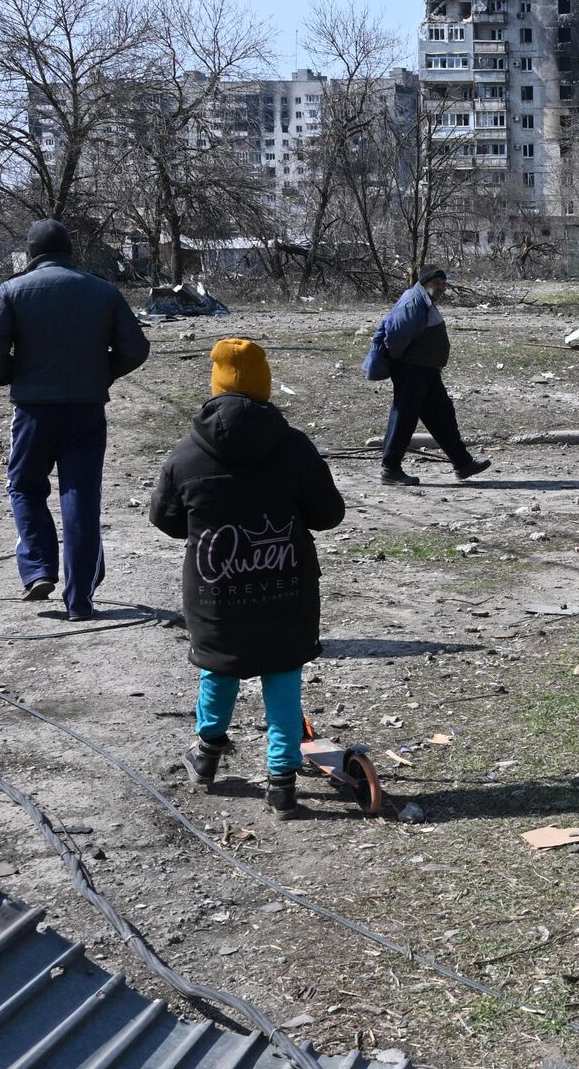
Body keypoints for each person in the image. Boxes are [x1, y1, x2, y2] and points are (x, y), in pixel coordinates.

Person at [148, 339, 346, 820]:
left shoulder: (186, 454)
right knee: (282, 674)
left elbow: (166, 519)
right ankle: (282, 782)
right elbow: (328, 515)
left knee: (219, 667)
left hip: (216, 591)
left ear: (214, 385)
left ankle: (207, 754)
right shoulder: (294, 445)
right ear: (265, 385)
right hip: (285, 586)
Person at [0, 219, 149, 619]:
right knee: (81, 498)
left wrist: (9, 373)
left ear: (32, 254)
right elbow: (135, 348)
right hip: (86, 411)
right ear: (71, 251)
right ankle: (81, 600)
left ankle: (38, 570)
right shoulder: (103, 289)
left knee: (24, 486)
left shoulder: (13, 290)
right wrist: (103, 373)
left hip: (33, 411)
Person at [371, 266, 490, 486]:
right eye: (437, 284)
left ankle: (463, 463)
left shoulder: (423, 300)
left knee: (442, 415)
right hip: (412, 370)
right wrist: (403, 361)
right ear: (426, 283)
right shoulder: (414, 301)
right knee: (404, 418)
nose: (441, 288)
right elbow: (395, 336)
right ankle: (391, 469)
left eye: (444, 284)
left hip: (426, 370)